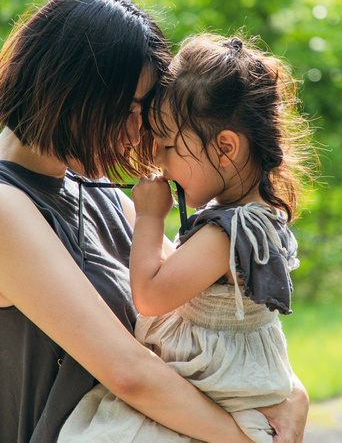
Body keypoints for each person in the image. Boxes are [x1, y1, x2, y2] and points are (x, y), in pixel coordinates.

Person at [0, 0, 309, 442]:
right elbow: (129, 372)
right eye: (132, 109)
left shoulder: (95, 188)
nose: (142, 131)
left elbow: (202, 312)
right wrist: (250, 439)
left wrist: (292, 395)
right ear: (77, 92)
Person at [59, 33, 312, 443]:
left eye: (168, 146)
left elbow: (150, 295)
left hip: (213, 388)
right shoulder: (251, 218)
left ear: (225, 147)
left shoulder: (227, 233)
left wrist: (149, 216)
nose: (158, 160)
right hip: (225, 384)